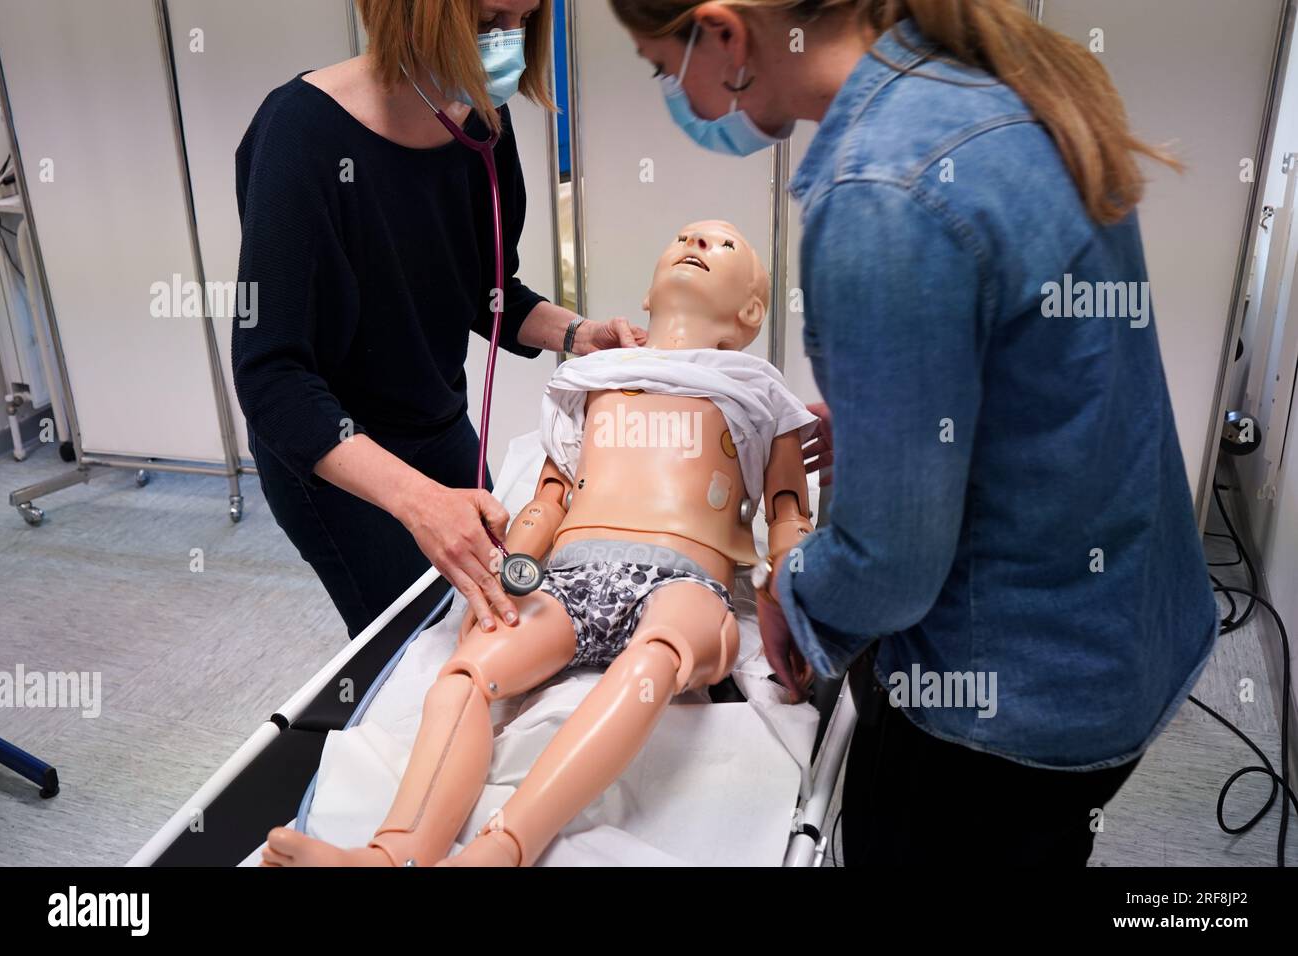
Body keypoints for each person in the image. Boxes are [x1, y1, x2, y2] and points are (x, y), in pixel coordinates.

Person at [612, 0, 1219, 866]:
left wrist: (799, 588)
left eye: (661, 68)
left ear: (726, 33)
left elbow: (887, 569)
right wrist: (887, 416)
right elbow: (1047, 383)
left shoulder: (879, 193)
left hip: (1005, 709)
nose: (684, 103)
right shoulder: (991, 90)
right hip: (1123, 639)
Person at [260, 220, 816, 867]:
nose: (696, 245)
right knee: (466, 673)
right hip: (573, 574)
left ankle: (501, 851)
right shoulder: (593, 381)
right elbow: (550, 498)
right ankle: (393, 855)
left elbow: (787, 512)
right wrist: (510, 565)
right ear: (647, 293)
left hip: (684, 581)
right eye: (684, 238)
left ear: (750, 311)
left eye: (722, 246)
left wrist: (789, 582)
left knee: (655, 658)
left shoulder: (759, 393)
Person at [232, 0, 645, 640]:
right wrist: (419, 503)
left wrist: (577, 335)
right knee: (415, 646)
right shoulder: (298, 137)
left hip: (439, 425)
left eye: (523, 22)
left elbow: (487, 292)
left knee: (498, 613)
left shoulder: (482, 126)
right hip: (338, 455)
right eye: (487, 22)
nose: (507, 42)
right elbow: (271, 379)